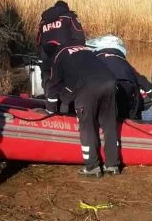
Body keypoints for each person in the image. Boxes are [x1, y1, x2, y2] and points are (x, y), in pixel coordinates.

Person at [45, 45, 120, 177]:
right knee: (109, 125)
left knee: (87, 126)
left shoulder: (58, 57)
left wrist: (50, 112)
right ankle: (112, 165)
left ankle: (92, 167)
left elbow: (53, 87)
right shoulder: (84, 49)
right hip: (110, 81)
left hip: (87, 86)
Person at [90, 37, 152, 120]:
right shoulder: (123, 61)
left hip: (110, 91)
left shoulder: (96, 58)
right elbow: (141, 80)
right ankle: (133, 121)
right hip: (130, 92)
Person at [35, 0, 86, 92]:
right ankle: (64, 101)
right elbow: (79, 36)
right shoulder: (68, 16)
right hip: (63, 52)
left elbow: (38, 40)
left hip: (46, 53)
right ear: (66, 8)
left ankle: (49, 100)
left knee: (48, 77)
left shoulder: (44, 20)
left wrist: (40, 56)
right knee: (66, 77)